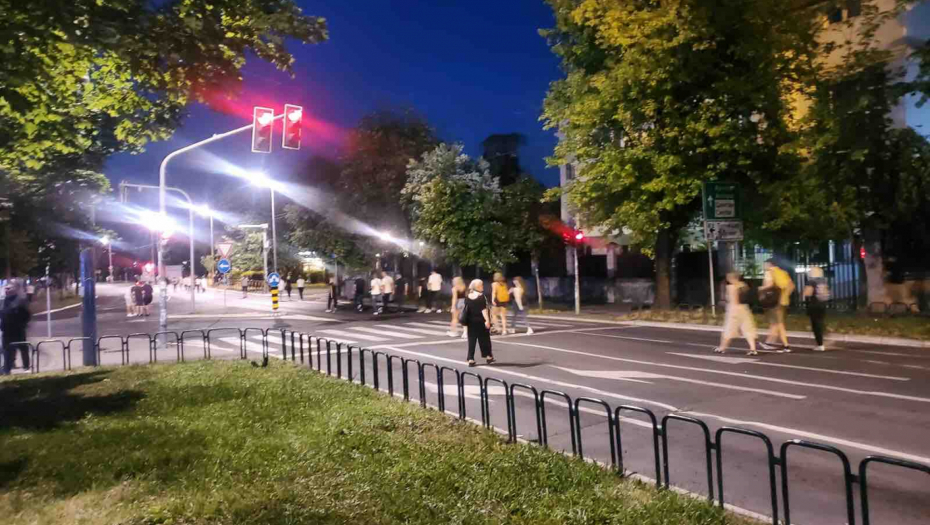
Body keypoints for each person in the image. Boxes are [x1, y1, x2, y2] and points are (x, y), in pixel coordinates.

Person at [713, 272, 758, 356]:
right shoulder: (744, 285)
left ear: (731, 278)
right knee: (748, 329)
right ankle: (753, 349)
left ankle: (722, 348)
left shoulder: (731, 287)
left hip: (734, 309)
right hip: (745, 309)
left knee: (728, 330)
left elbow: (734, 301)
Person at [759, 260, 795, 352]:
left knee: (779, 324)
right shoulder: (783, 272)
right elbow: (792, 286)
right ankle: (768, 343)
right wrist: (785, 295)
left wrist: (761, 288)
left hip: (774, 302)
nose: (764, 266)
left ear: (769, 264)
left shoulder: (769, 272)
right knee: (775, 323)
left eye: (765, 264)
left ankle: (786, 346)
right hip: (783, 301)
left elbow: (769, 284)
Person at [1, 280, 32, 375]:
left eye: (9, 288)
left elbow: (27, 315)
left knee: (23, 349)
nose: (7, 290)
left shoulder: (21, 301)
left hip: (18, 331)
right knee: (7, 351)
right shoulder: (3, 301)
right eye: (6, 288)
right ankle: (7, 369)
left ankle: (26, 367)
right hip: (6, 331)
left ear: (15, 289)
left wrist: (21, 324)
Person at [463, 279, 494, 367]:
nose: (483, 286)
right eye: (482, 285)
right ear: (477, 286)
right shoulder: (482, 297)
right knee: (484, 339)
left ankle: (471, 358)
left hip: (471, 321)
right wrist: (487, 320)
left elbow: (467, 309)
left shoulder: (468, 296)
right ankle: (488, 356)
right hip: (481, 321)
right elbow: (484, 310)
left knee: (472, 340)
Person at [804, 267, 830, 352]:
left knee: (816, 325)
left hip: (814, 305)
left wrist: (804, 293)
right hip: (822, 304)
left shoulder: (811, 282)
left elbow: (807, 293)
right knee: (820, 322)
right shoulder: (823, 281)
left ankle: (820, 344)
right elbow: (827, 293)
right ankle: (822, 339)